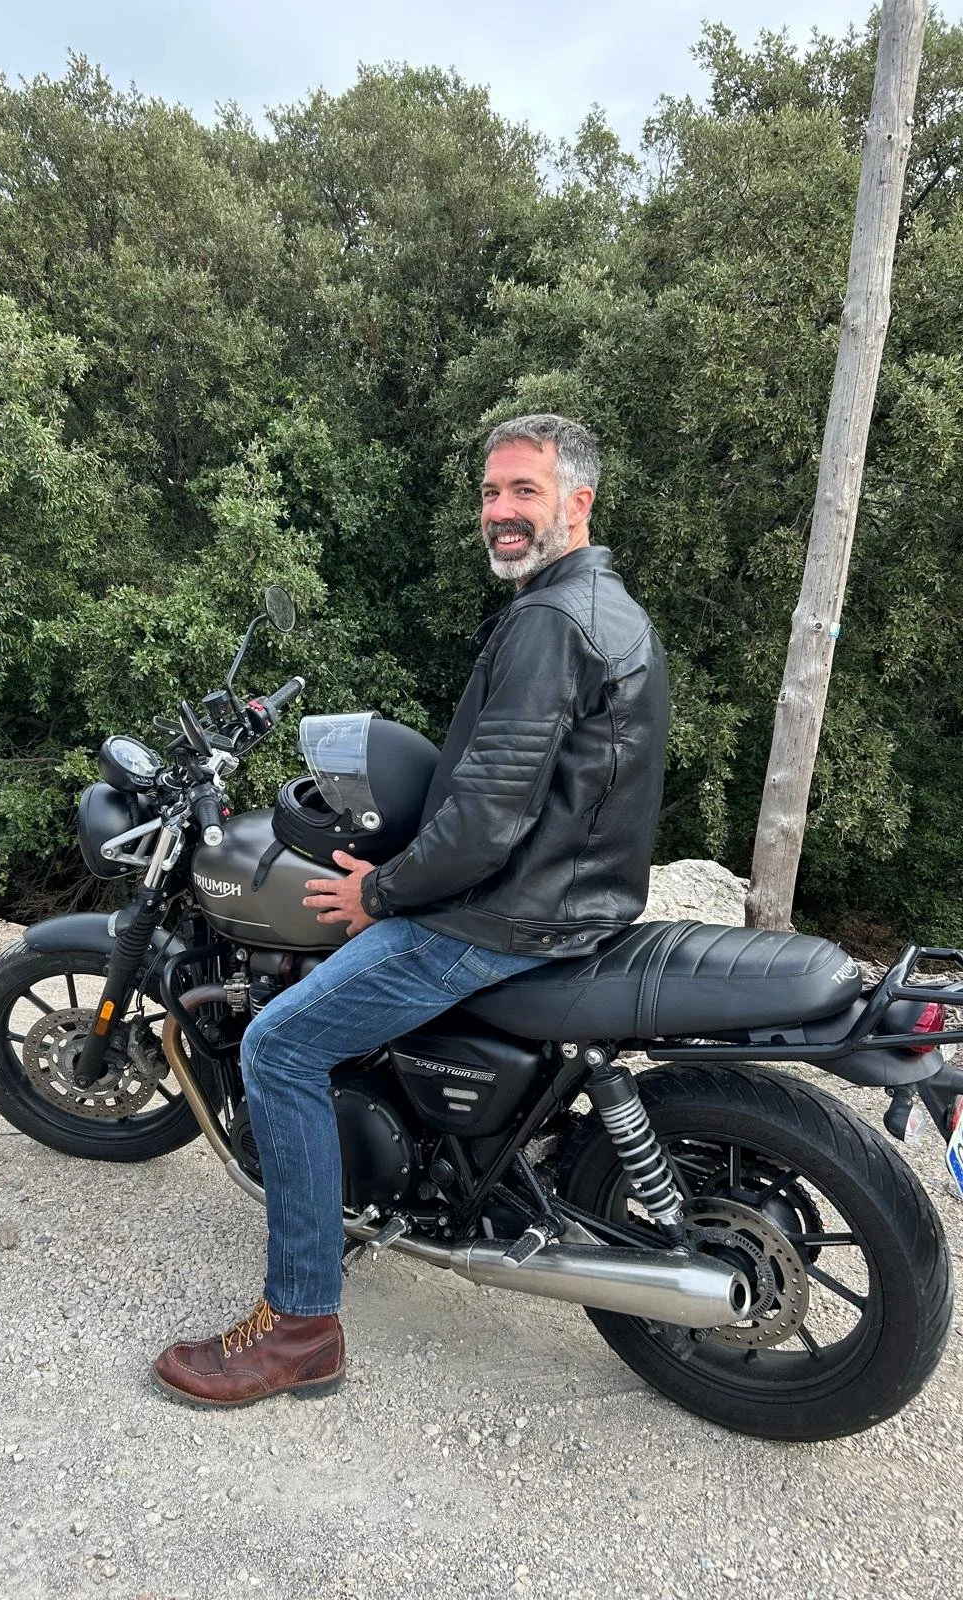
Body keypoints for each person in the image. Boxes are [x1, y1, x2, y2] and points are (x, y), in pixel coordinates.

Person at [151, 414, 670, 1408]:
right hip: (570, 899)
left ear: (577, 502)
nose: (502, 510)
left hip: (502, 919)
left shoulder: (548, 624)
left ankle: (301, 1323)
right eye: (491, 491)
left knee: (279, 1047)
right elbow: (523, 789)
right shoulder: (606, 609)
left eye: (524, 490)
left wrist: (377, 891)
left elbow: (483, 822)